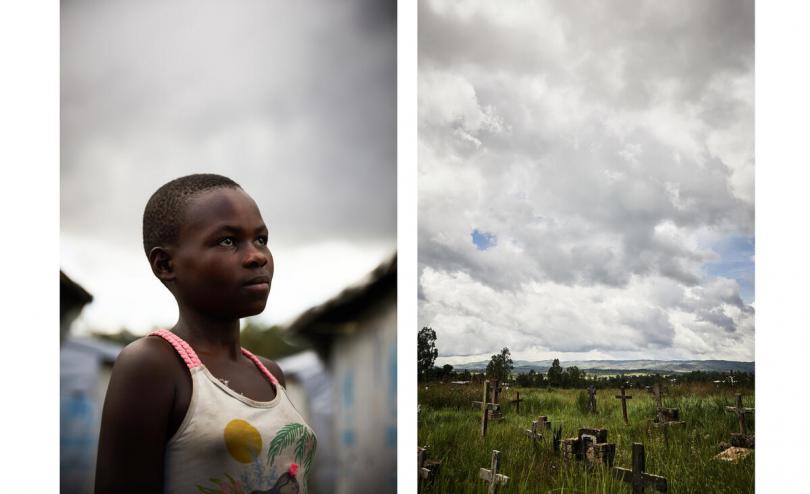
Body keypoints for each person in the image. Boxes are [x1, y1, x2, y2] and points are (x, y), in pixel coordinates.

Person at [95, 174, 316, 494]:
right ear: (165, 264)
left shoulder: (270, 374)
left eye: (262, 239)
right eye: (228, 241)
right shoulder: (152, 365)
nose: (257, 256)